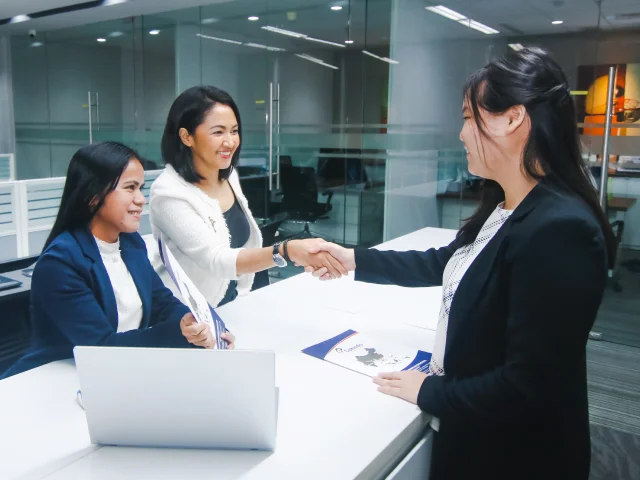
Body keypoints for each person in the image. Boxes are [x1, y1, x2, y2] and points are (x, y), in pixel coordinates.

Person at [306, 47, 615, 480]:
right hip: (478, 431)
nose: (462, 133)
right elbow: (446, 263)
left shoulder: (560, 230)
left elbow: (530, 386)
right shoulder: (508, 204)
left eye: (470, 118)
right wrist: (354, 259)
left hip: (514, 456)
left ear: (512, 119)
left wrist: (430, 391)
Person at [2, 142, 234, 379]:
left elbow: (162, 303)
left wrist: (202, 326)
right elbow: (100, 347)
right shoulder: (61, 263)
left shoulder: (131, 244)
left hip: (117, 373)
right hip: (51, 381)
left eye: (141, 188)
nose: (140, 199)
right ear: (93, 196)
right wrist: (181, 334)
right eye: (130, 188)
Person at [149, 85, 346, 308]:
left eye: (234, 131)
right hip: (188, 314)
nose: (230, 141)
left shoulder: (228, 175)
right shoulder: (168, 194)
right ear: (186, 136)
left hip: (231, 303)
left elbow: (244, 246)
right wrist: (286, 250)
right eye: (218, 132)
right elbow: (216, 260)